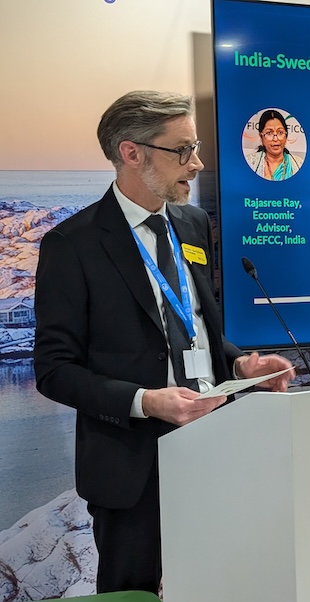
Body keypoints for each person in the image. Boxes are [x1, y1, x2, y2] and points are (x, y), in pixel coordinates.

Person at [33, 90, 295, 595]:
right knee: (132, 591)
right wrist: (145, 401)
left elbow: (194, 326)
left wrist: (239, 365)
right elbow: (54, 369)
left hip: (216, 446)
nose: (197, 164)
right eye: (182, 150)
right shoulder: (72, 244)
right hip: (131, 466)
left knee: (223, 584)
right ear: (132, 153)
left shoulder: (193, 225)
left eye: (196, 148)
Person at [245, 109, 303, 180]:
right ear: (261, 137)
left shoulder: (298, 164)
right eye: (269, 133)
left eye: (280, 132)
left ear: (286, 135)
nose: (275, 139)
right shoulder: (250, 163)